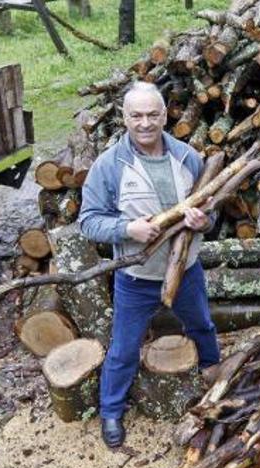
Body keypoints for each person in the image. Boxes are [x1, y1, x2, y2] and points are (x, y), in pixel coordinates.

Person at [79, 82, 220, 448]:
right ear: (124, 117)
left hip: (186, 269)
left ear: (165, 115)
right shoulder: (109, 166)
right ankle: (111, 411)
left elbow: (212, 212)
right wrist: (127, 229)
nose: (145, 123)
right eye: (136, 115)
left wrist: (204, 222)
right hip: (135, 276)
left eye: (152, 114)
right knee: (124, 348)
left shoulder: (187, 156)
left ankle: (215, 381)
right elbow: (88, 221)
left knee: (203, 327)